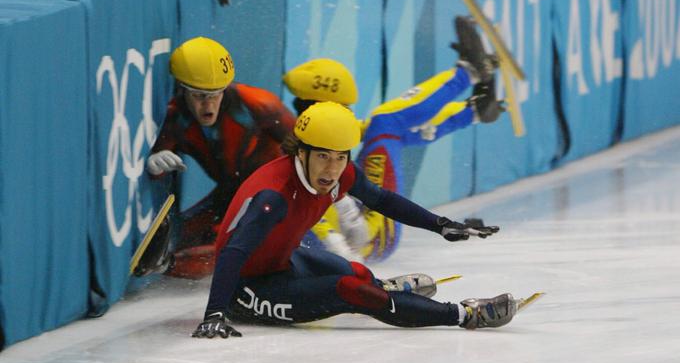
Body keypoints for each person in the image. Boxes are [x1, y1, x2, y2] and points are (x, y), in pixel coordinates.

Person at [192, 101, 515, 339]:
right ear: (300, 153)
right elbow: (233, 252)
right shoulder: (273, 196)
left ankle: (381, 288)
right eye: (322, 157)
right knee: (351, 290)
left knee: (359, 272)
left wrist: (441, 224)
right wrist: (215, 313)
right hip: (245, 291)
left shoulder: (341, 173)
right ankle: (465, 314)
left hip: (283, 263)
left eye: (340, 157)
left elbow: (383, 200)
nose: (331, 170)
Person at [282, 16, 504, 262]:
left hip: (357, 234)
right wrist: (344, 258)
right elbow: (303, 209)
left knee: (391, 129)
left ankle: (473, 109)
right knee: (386, 123)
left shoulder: (311, 134)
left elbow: (388, 130)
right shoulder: (301, 148)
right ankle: (469, 76)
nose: (349, 112)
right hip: (361, 240)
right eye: (344, 107)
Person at [135, 37, 296, 278]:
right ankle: (170, 262)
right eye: (199, 96)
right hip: (230, 192)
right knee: (180, 236)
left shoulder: (260, 105)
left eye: (215, 95)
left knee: (239, 241)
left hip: (272, 193)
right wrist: (155, 162)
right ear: (183, 90)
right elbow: (158, 165)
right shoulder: (175, 118)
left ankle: (167, 265)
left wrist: (336, 204)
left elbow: (311, 150)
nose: (208, 106)